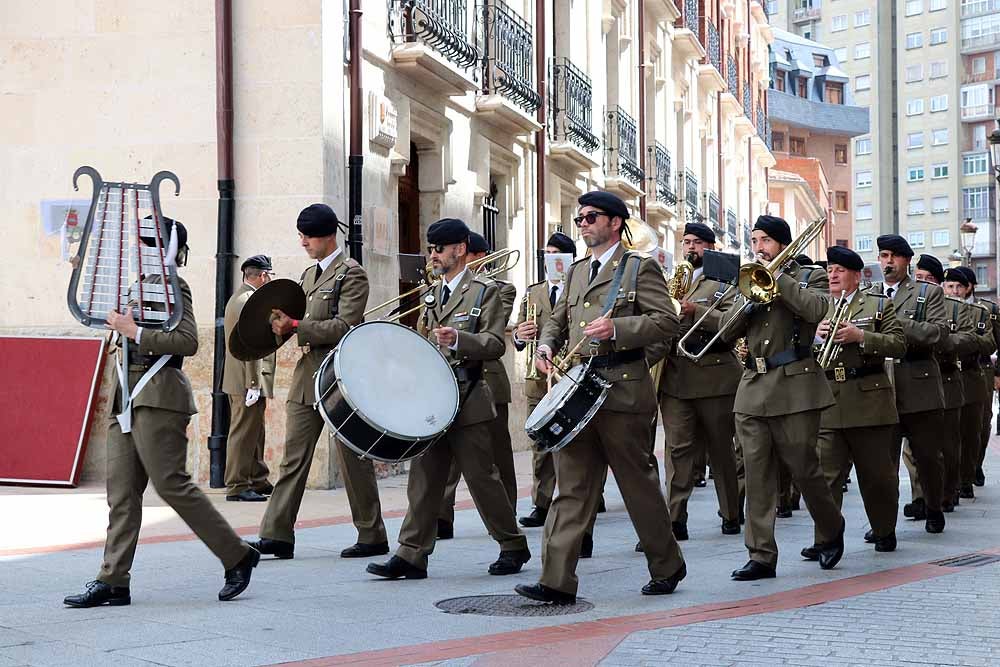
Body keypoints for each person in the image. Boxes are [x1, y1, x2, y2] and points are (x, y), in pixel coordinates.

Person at [64, 218, 259, 607]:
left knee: (172, 484)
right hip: (127, 395)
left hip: (158, 394)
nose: (140, 249)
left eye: (147, 243)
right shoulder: (137, 287)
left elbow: (187, 341)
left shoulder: (175, 286)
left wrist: (134, 331)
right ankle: (114, 579)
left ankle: (237, 554)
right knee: (121, 493)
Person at [514, 191, 686, 604]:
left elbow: (667, 320)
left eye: (591, 218)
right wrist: (545, 347)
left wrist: (619, 331)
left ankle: (667, 565)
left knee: (637, 487)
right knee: (571, 488)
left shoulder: (638, 268)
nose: (584, 224)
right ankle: (556, 581)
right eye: (580, 219)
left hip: (623, 392)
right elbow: (557, 320)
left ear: (614, 223)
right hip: (578, 396)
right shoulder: (574, 272)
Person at [367, 218, 530, 580]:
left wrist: (458, 339)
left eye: (438, 248)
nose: (433, 256)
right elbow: (425, 345)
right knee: (423, 478)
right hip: (434, 401)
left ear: (459, 249)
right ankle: (411, 554)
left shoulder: (487, 290)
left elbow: (493, 343)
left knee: (482, 479)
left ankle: (512, 544)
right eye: (430, 249)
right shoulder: (433, 293)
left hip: (469, 397)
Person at [251, 204, 388, 560]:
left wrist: (296, 326)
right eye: (300, 236)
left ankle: (372, 534)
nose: (303, 243)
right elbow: (296, 320)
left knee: (352, 457)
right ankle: (276, 534)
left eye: (307, 236)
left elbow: (344, 326)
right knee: (293, 457)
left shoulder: (351, 274)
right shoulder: (309, 276)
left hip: (340, 377)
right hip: (307, 375)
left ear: (329, 236)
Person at [725, 215, 845, 581]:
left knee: (804, 469)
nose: (758, 248)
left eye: (764, 240)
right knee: (757, 474)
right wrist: (747, 300)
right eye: (754, 240)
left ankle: (830, 529)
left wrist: (777, 280)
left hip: (795, 386)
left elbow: (816, 310)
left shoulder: (810, 276)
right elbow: (725, 330)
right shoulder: (747, 278)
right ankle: (761, 555)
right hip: (753, 387)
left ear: (781, 243)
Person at [804, 246, 905, 557]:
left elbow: (899, 344)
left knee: (877, 476)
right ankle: (826, 538)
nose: (832, 274)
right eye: (830, 269)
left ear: (857, 275)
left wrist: (862, 338)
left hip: (868, 399)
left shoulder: (877, 304)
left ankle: (884, 529)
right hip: (830, 397)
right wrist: (814, 338)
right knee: (826, 476)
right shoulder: (819, 307)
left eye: (840, 270)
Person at [648, 221, 741, 540]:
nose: (690, 247)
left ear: (711, 248)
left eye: (698, 242)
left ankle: (731, 512)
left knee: (721, 450)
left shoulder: (727, 278)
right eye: (686, 241)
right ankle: (675, 519)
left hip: (715, 376)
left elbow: (733, 323)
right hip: (676, 378)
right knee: (677, 451)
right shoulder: (671, 280)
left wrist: (696, 310)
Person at [438, 232, 517, 540]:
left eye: (471, 256)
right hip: (448, 384)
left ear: (479, 257)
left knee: (495, 457)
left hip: (486, 381)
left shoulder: (498, 289)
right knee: (443, 460)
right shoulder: (440, 290)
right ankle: (440, 516)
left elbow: (493, 334)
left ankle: (506, 513)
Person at [869, 234, 948, 534]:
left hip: (919, 384)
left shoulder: (927, 293)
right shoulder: (870, 293)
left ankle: (933, 506)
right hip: (880, 388)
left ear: (906, 261)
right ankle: (883, 522)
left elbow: (937, 333)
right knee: (882, 463)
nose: (887, 262)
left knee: (928, 457)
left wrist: (893, 322)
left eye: (893, 257)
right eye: (883, 256)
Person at [513, 232, 577, 529]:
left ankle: (582, 495)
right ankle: (541, 502)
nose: (549, 258)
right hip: (540, 376)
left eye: (556, 253)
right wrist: (518, 335)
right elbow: (517, 335)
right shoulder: (533, 291)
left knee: (574, 442)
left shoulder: (577, 288)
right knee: (540, 443)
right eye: (546, 253)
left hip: (571, 373)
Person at [903, 255, 964, 517]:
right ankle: (921, 498)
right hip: (903, 381)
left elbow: (951, 338)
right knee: (910, 451)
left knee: (939, 448)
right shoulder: (899, 298)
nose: (923, 283)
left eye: (929, 279)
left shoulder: (951, 307)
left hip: (941, 379)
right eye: (919, 277)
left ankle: (942, 496)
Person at [222, 254, 276, 502]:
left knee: (255, 431)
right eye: (269, 276)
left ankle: (257, 479)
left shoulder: (242, 298)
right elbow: (251, 343)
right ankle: (237, 484)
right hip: (246, 379)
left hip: (246, 378)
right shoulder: (247, 301)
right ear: (262, 275)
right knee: (243, 433)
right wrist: (253, 383)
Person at [945, 267, 995, 500]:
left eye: (959, 287)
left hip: (972, 375)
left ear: (968, 288)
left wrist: (968, 340)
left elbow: (990, 344)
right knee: (950, 434)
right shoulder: (939, 310)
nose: (954, 291)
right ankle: (952, 484)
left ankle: (967, 476)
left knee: (974, 430)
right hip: (945, 377)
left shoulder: (981, 312)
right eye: (950, 286)